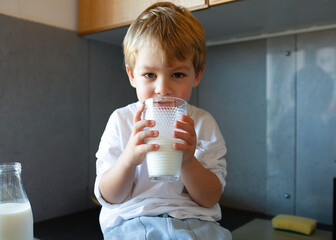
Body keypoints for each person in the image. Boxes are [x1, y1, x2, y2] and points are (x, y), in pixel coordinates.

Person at [94, 2, 231, 239]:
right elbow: (108, 196)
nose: (162, 89)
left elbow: (210, 198)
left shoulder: (203, 124)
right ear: (132, 75)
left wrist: (188, 160)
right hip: (133, 221)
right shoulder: (121, 121)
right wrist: (128, 158)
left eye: (177, 75)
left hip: (195, 222)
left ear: (196, 75)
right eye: (150, 75)